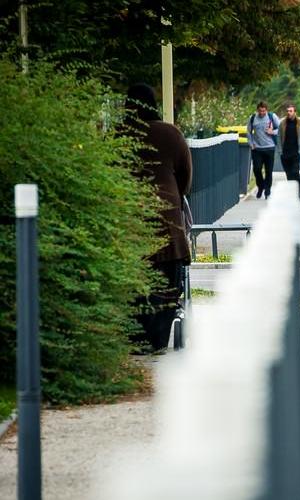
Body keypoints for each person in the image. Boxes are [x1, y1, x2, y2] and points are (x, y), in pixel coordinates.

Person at [123, 83, 193, 353]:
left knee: (135, 278)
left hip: (129, 214)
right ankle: (158, 339)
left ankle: (136, 337)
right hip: (167, 217)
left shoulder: (120, 134)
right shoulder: (170, 134)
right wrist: (176, 192)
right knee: (167, 278)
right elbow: (185, 176)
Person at [247, 101, 279, 198]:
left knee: (269, 171)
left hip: (269, 148)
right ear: (257, 110)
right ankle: (260, 186)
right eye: (260, 111)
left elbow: (280, 128)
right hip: (257, 149)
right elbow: (248, 131)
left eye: (264, 111)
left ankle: (267, 190)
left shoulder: (271, 116)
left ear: (266, 110)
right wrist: (251, 143)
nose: (262, 113)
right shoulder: (253, 118)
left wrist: (272, 132)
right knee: (257, 169)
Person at [276, 104, 300, 199]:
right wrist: (280, 151)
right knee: (289, 175)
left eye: (291, 111)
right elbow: (278, 137)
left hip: (296, 153)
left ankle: (299, 193)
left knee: (295, 173)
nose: (289, 113)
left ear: (295, 112)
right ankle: (292, 194)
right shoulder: (282, 123)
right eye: (288, 111)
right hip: (285, 154)